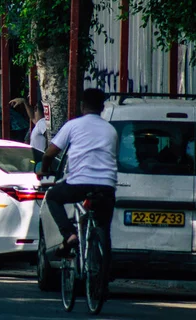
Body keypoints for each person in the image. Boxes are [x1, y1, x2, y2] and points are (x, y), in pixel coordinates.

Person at [36, 88, 117, 263]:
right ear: (102, 107)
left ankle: (70, 235)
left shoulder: (73, 125)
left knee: (52, 197)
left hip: (78, 184)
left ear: (82, 106)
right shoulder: (111, 130)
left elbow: (49, 153)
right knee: (104, 227)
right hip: (106, 186)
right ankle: (105, 272)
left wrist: (44, 170)